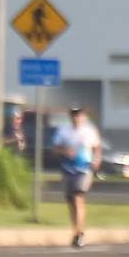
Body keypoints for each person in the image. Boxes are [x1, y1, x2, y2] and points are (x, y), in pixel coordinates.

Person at [49, 103, 102, 247]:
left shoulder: (89, 131)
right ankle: (76, 231)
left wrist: (96, 161)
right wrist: (64, 151)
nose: (76, 118)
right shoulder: (63, 131)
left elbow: (97, 148)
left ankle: (79, 233)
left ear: (84, 116)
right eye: (74, 115)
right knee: (70, 200)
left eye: (79, 115)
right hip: (67, 169)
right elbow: (54, 149)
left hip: (84, 169)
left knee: (78, 197)